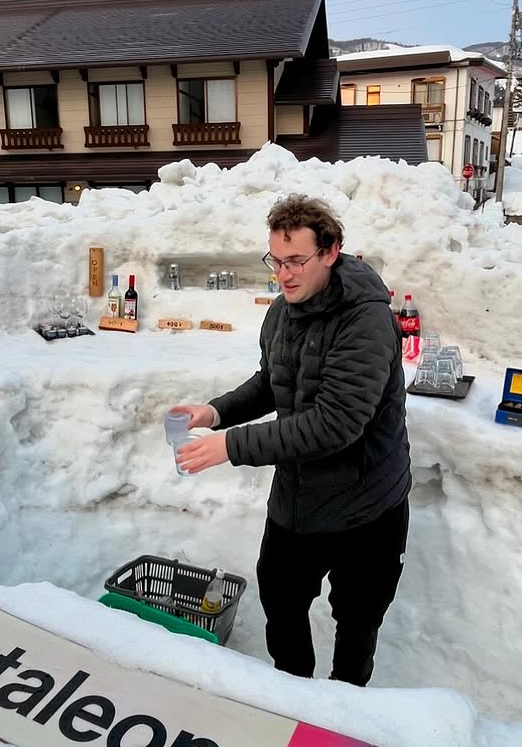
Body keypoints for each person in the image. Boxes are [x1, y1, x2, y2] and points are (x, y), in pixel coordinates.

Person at [172, 195, 411, 686]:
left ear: (330, 252)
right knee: (280, 601)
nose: (284, 274)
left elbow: (336, 422)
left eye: (297, 261)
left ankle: (347, 708)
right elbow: (270, 382)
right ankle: (293, 692)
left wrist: (231, 447)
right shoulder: (282, 312)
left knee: (357, 619)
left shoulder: (366, 321)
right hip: (299, 498)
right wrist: (215, 412)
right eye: (276, 261)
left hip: (368, 506)